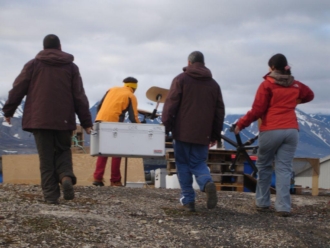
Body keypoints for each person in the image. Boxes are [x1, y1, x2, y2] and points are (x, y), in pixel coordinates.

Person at [2, 34, 93, 204]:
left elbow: (17, 88)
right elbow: (79, 96)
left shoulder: (33, 65)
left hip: (39, 119)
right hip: (64, 120)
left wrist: (8, 110)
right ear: (60, 46)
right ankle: (65, 176)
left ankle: (51, 196)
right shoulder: (71, 67)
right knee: (63, 150)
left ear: (44, 47)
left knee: (46, 158)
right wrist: (86, 122)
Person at [234, 53, 314, 217]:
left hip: (271, 130)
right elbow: (310, 95)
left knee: (264, 166)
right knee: (284, 168)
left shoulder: (267, 85)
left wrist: (241, 124)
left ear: (271, 68)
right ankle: (283, 207)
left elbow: (257, 110)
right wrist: (296, 100)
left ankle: (262, 202)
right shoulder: (295, 85)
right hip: (292, 130)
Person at [162, 51, 225, 212]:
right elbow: (219, 112)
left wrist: (166, 126)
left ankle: (188, 200)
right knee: (198, 162)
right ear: (203, 64)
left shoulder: (181, 79)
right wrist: (215, 135)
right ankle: (207, 183)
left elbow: (171, 103)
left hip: (182, 131)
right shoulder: (214, 85)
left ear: (189, 62)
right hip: (203, 133)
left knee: (183, 163)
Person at [92, 77, 141, 187]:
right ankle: (115, 180)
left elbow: (99, 105)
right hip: (114, 123)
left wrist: (99, 118)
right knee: (116, 151)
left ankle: (97, 178)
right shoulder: (131, 96)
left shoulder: (111, 89)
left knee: (103, 150)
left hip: (100, 120)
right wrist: (140, 127)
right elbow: (133, 117)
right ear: (134, 88)